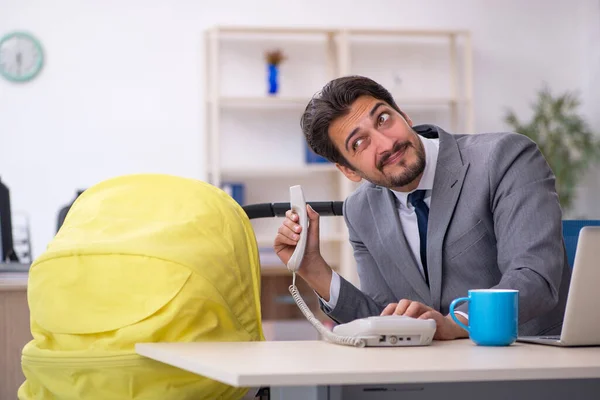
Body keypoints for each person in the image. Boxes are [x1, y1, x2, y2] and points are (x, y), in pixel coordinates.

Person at [273, 75, 571, 340]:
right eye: (360, 142)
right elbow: (385, 319)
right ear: (348, 170)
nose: (385, 143)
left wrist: (455, 323)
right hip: (436, 375)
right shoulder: (361, 209)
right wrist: (314, 270)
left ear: (404, 115)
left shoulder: (504, 158)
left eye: (383, 119)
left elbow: (534, 277)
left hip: (532, 361)